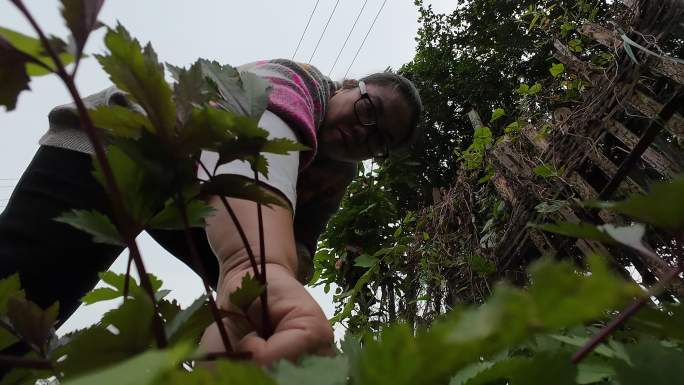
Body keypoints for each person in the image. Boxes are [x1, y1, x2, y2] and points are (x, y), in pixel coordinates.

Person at [0, 59, 422, 366]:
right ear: (348, 86)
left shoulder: (340, 172)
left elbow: (301, 248)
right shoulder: (300, 81)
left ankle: (222, 342)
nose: (363, 131)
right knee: (27, 291)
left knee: (262, 303)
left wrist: (270, 298)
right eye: (369, 110)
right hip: (118, 146)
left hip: (192, 206)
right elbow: (255, 126)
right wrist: (256, 263)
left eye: (379, 141)